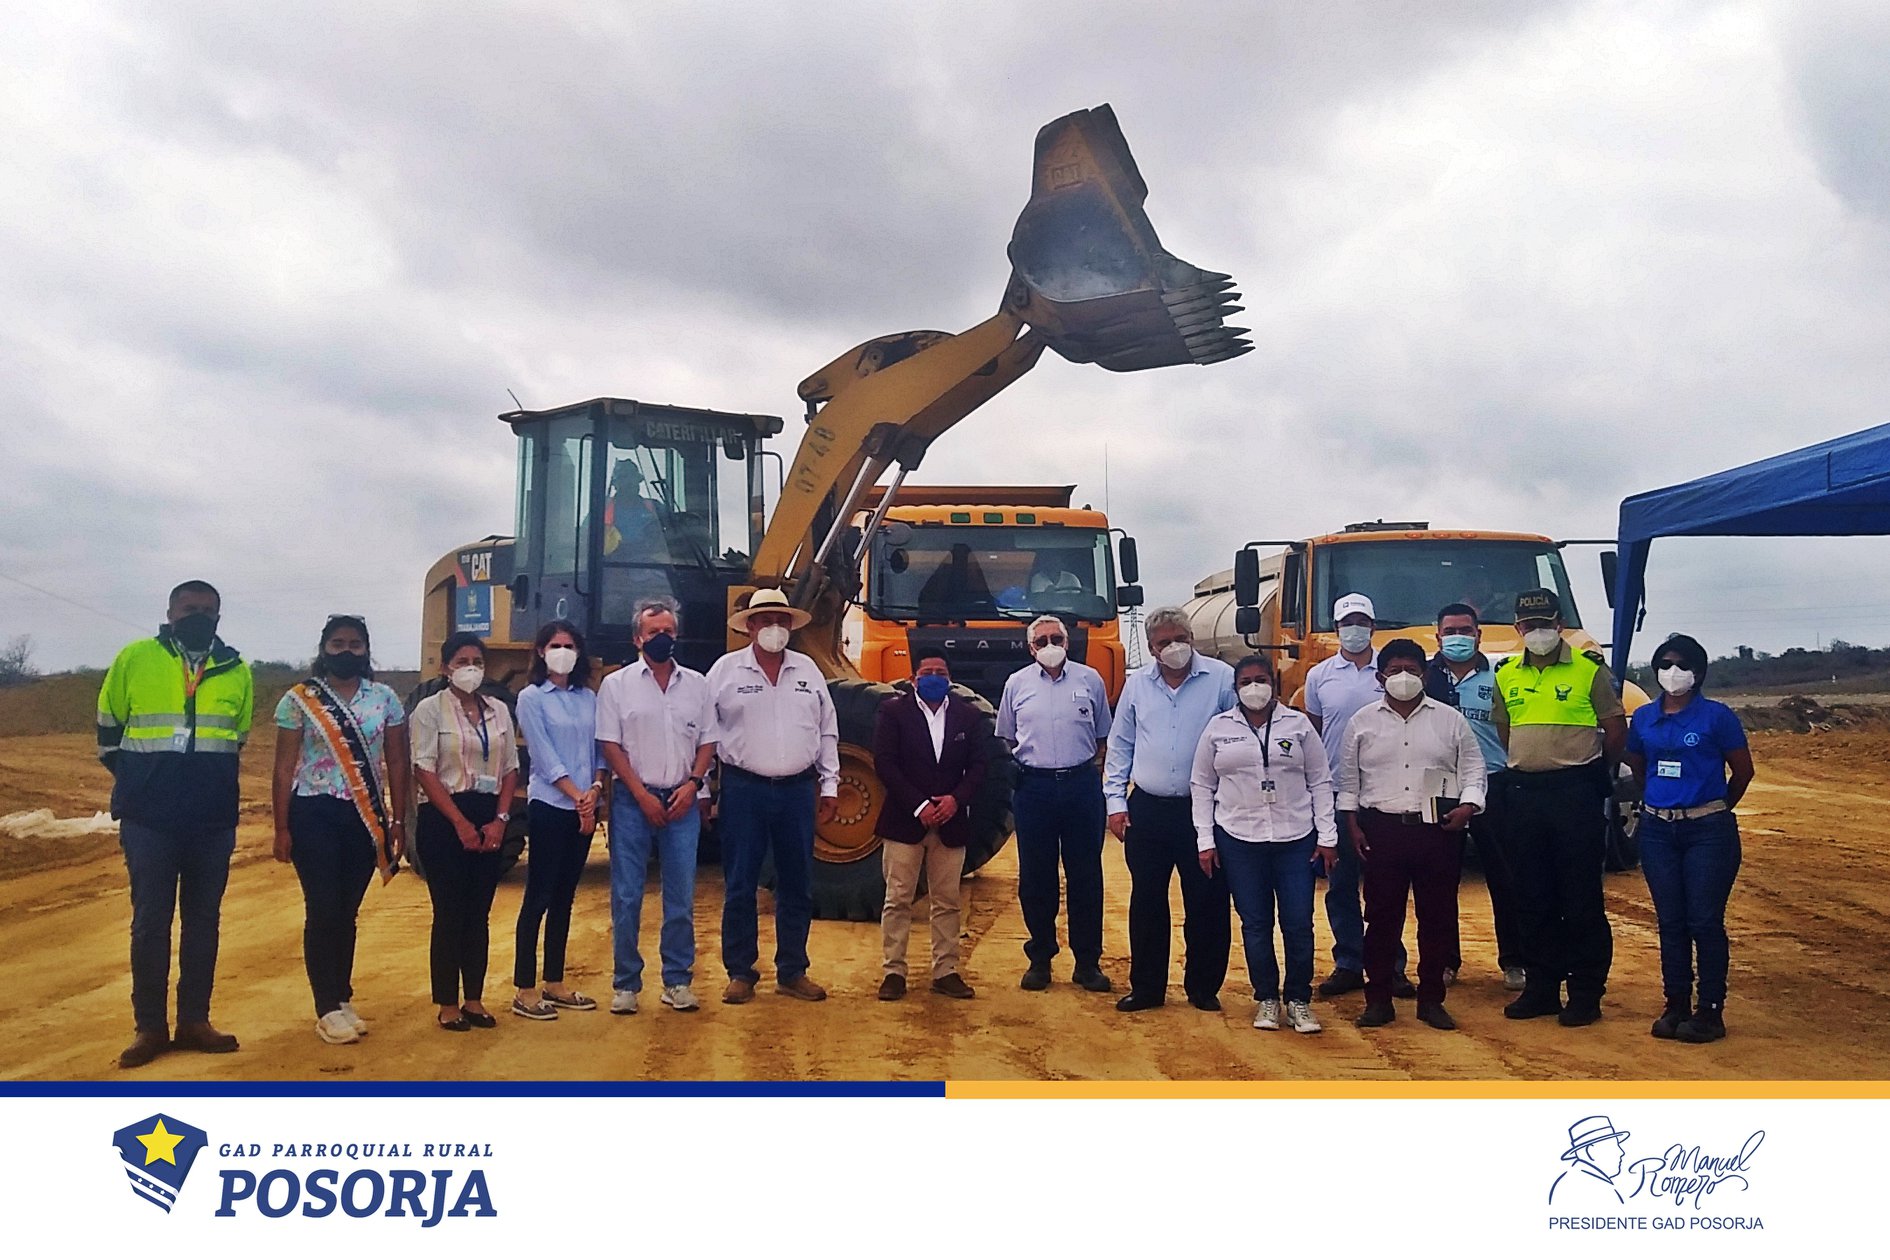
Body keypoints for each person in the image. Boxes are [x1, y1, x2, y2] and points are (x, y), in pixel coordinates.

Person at [97, 579, 254, 1068]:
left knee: (204, 922)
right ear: (169, 614)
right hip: (149, 819)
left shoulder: (237, 669)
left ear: (219, 616)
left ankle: (194, 1021)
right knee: (150, 923)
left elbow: (236, 737)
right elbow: (108, 733)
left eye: (207, 609)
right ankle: (149, 1028)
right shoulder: (135, 658)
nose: (198, 616)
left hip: (212, 821)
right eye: (189, 609)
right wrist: (144, 782)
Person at [271, 615, 411, 1046]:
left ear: (366, 649)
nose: (346, 651)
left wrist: (399, 820)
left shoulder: (385, 699)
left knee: (347, 910)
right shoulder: (299, 700)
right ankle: (326, 1007)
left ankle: (342, 996)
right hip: (313, 812)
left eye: (354, 644)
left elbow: (397, 761)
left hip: (364, 817)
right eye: (337, 644)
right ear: (324, 648)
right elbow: (283, 767)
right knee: (323, 906)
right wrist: (280, 826)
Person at [1337, 639, 1488, 1031]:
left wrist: (1468, 806)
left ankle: (1431, 1001)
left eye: (1411, 670)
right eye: (1394, 670)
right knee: (1381, 918)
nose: (1403, 677)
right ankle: (1378, 1000)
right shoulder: (1362, 722)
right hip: (1381, 830)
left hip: (1437, 830)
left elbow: (1474, 770)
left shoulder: (1450, 720)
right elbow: (1349, 780)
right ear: (1380, 677)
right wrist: (1352, 825)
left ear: (1425, 674)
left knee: (1437, 917)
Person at [1494, 588, 1627, 1027]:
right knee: (1532, 896)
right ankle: (1542, 987)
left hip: (1575, 793)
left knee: (1580, 897)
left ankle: (1585, 992)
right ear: (1518, 628)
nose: (1538, 631)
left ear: (1559, 624)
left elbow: (1614, 730)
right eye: (1529, 625)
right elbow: (1505, 732)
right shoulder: (1506, 674)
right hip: (1525, 794)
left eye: (1545, 624)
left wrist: (1593, 772)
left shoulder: (1589, 671)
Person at [707, 588, 839, 1004]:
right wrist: (704, 788)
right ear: (750, 626)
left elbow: (827, 730)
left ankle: (792, 970)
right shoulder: (725, 672)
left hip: (797, 790)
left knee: (797, 883)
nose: (775, 628)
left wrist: (830, 784)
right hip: (743, 789)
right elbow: (704, 733)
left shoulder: (808, 671)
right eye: (766, 621)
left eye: (781, 621)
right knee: (741, 883)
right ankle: (740, 972)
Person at [1191, 654, 1336, 1033]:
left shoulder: (1298, 725)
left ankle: (1299, 999)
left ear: (1274, 684)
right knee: (1255, 923)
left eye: (1261, 680)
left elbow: (1320, 781)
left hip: (1295, 839)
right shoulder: (1218, 728)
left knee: (1298, 923)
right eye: (1246, 682)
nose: (1254, 688)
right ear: (1235, 688)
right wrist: (1205, 840)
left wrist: (1327, 836)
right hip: (1240, 840)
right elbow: (1202, 785)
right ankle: (1267, 997)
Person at [1104, 607, 1236, 1012]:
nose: (1175, 647)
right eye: (1165, 642)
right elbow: (1120, 744)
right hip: (1148, 809)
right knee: (1147, 900)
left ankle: (1203, 987)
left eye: (1181, 638)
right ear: (1151, 648)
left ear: (1191, 638)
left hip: (1205, 811)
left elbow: (1238, 736)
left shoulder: (1221, 679)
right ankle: (1147, 988)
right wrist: (1115, 802)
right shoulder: (1137, 685)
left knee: (1207, 900)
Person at [1625, 633, 1753, 1044]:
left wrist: (1716, 806)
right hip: (1658, 830)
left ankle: (1710, 1010)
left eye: (1682, 664)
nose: (1673, 672)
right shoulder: (1644, 717)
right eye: (1665, 664)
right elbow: (1639, 765)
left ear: (1698, 672)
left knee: (1704, 919)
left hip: (1708, 831)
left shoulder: (1717, 717)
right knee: (1671, 920)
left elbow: (1742, 771)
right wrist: (1660, 801)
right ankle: (1675, 1004)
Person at [597, 598, 715, 1014]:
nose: (661, 638)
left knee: (680, 896)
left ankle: (677, 980)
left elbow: (708, 741)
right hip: (634, 801)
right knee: (627, 895)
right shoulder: (616, 686)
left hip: (682, 800)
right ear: (637, 639)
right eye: (653, 632)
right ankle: (626, 984)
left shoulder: (698, 685)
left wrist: (694, 785)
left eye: (668, 631)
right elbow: (610, 745)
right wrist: (641, 794)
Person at [995, 614, 1114, 992]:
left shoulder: (1090, 680)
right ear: (1030, 648)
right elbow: (1007, 737)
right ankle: (1040, 959)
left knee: (1086, 876)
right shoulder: (1016, 684)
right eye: (1042, 641)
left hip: (1081, 786)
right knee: (1036, 876)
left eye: (1056, 639)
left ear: (1067, 642)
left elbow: (1103, 735)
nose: (1050, 646)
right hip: (1034, 788)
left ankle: (1087, 963)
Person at [1300, 592, 1410, 998]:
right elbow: (1314, 732)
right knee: (1341, 884)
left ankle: (1391, 965)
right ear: (1336, 628)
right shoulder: (1319, 676)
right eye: (1347, 623)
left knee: (1387, 885)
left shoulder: (1391, 672)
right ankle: (1348, 961)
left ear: (1373, 626)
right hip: (1336, 791)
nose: (1355, 630)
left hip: (1384, 791)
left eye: (1362, 622)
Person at [409, 633, 520, 1031]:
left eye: (477, 661)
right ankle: (447, 1004)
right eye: (461, 661)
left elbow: (510, 769)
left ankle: (474, 999)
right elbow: (423, 769)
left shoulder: (498, 710)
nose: (470, 668)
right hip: (444, 818)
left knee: (479, 913)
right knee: (450, 912)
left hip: (489, 816)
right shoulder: (429, 710)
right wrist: (460, 824)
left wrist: (500, 820)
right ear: (445, 668)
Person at [872, 651, 989, 1000]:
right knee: (898, 899)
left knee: (948, 900)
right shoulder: (893, 712)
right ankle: (894, 972)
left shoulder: (968, 715)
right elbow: (885, 763)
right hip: (904, 821)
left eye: (941, 671)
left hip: (951, 823)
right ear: (914, 678)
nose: (934, 676)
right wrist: (919, 804)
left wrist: (956, 800)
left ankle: (946, 971)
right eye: (927, 672)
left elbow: (980, 766)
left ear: (949, 678)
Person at [1425, 602, 1527, 991]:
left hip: (1493, 782)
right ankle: (1444, 960)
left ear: (1478, 635)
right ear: (1438, 636)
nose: (1458, 638)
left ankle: (1514, 960)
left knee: (1506, 876)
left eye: (1465, 630)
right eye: (1450, 631)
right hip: (1439, 786)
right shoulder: (1424, 677)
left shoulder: (1500, 675)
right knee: (1440, 879)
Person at [510, 621, 604, 1021]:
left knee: (565, 895)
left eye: (569, 645)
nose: (562, 651)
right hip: (551, 805)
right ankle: (524, 988)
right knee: (539, 895)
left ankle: (555, 981)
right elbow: (544, 755)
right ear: (540, 651)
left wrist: (594, 790)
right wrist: (576, 795)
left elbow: (599, 749)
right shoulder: (531, 698)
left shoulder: (589, 698)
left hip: (585, 804)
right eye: (555, 645)